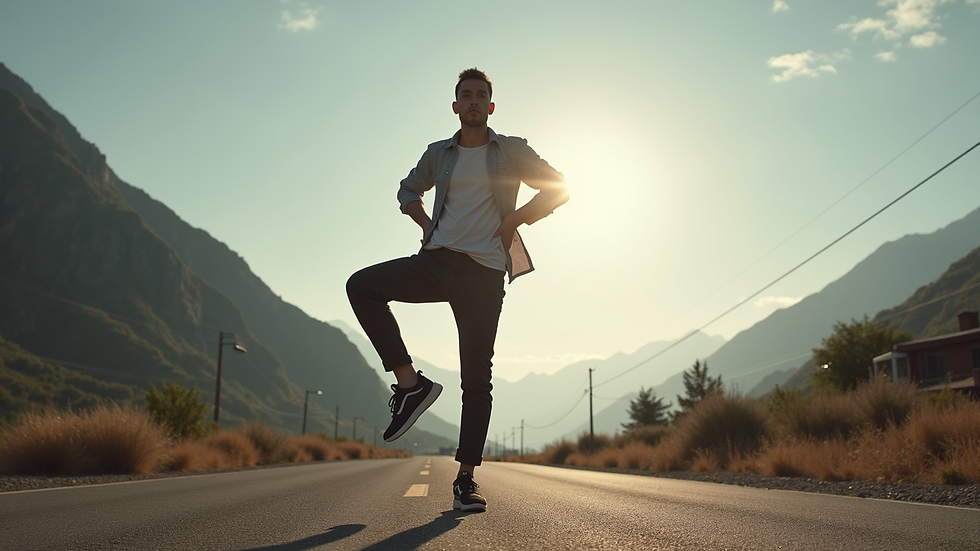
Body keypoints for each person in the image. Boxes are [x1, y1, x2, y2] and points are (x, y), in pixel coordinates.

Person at [346, 68, 568, 512]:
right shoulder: (439, 154)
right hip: (436, 262)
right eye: (466, 95)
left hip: (484, 273)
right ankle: (410, 385)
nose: (473, 101)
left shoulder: (512, 150)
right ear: (455, 106)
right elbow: (407, 190)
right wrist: (424, 222)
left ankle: (465, 479)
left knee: (476, 379)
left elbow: (559, 187)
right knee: (362, 286)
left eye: (481, 95)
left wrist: (515, 219)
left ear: (491, 106)